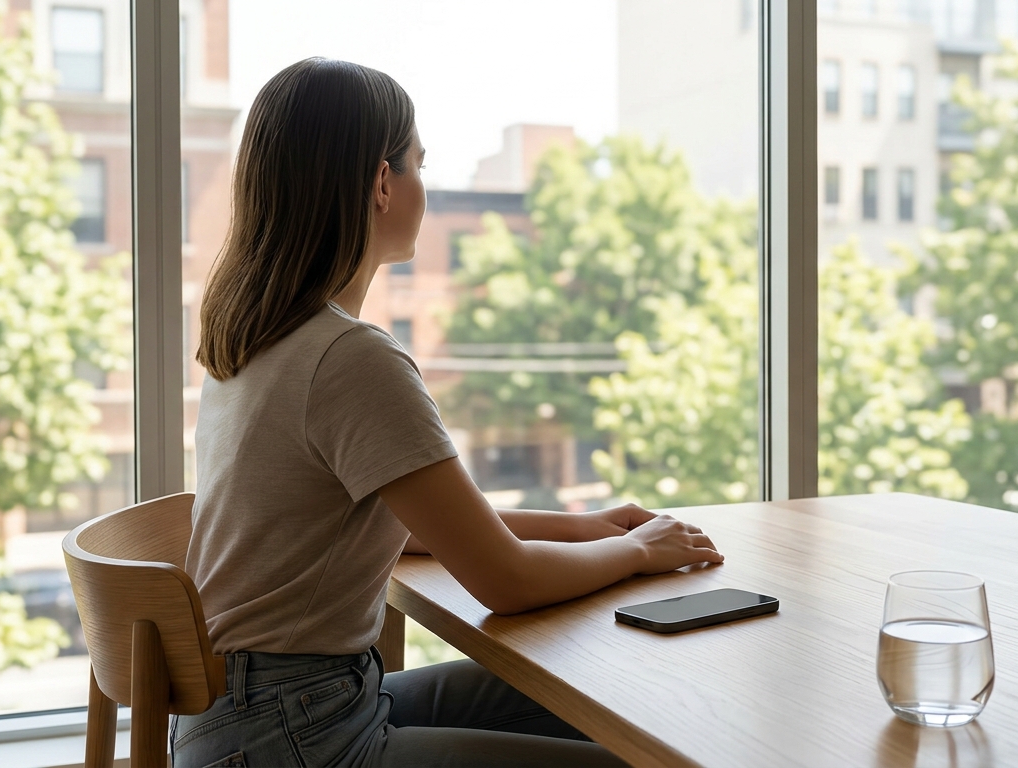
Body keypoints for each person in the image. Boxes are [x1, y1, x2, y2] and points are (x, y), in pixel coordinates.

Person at [174, 57, 724, 768]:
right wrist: (640, 552)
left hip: (263, 715)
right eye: (418, 165)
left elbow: (403, 526)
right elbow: (506, 581)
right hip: (295, 736)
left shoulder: (255, 340)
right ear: (381, 182)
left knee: (607, 702)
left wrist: (587, 527)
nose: (422, 188)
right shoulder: (349, 358)